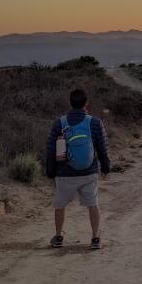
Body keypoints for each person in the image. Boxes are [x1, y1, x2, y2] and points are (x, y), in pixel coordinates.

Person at [45, 89, 110, 249]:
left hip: (65, 173)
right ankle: (95, 238)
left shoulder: (59, 123)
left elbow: (51, 149)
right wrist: (105, 166)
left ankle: (59, 237)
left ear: (70, 102)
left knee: (60, 205)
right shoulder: (94, 122)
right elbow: (102, 147)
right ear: (86, 103)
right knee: (93, 204)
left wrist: (51, 170)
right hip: (89, 172)